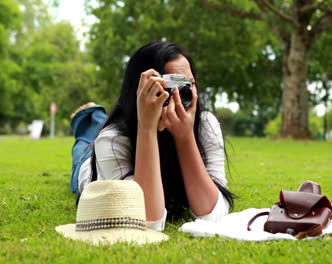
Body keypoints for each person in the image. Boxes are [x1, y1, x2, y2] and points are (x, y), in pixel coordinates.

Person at [69, 40, 235, 231]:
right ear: (141, 92)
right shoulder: (112, 139)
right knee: (83, 150)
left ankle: (97, 119)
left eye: (187, 85)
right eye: (171, 85)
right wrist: (146, 127)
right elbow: (148, 222)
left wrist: (185, 137)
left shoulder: (205, 124)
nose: (179, 96)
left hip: (128, 134)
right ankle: (89, 119)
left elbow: (213, 216)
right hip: (91, 168)